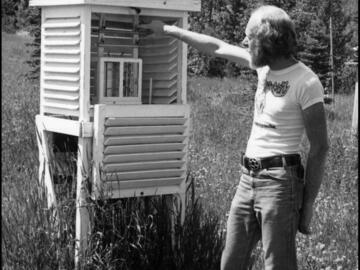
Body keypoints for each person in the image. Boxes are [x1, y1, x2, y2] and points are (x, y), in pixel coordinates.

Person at [140, 5, 329, 270]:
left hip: (280, 183)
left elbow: (320, 147)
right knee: (231, 262)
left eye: (249, 37)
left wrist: (307, 204)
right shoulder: (263, 68)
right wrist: (167, 29)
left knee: (278, 265)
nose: (244, 42)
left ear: (266, 40)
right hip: (247, 178)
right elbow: (216, 47)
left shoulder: (306, 82)